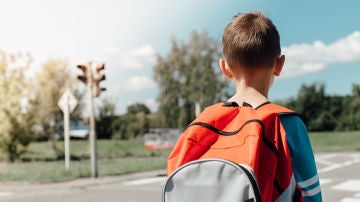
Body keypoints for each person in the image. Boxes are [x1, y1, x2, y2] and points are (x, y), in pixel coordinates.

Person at [167, 11, 322, 201]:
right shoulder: (287, 124)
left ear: (224, 68)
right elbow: (311, 193)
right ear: (279, 64)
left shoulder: (200, 124)